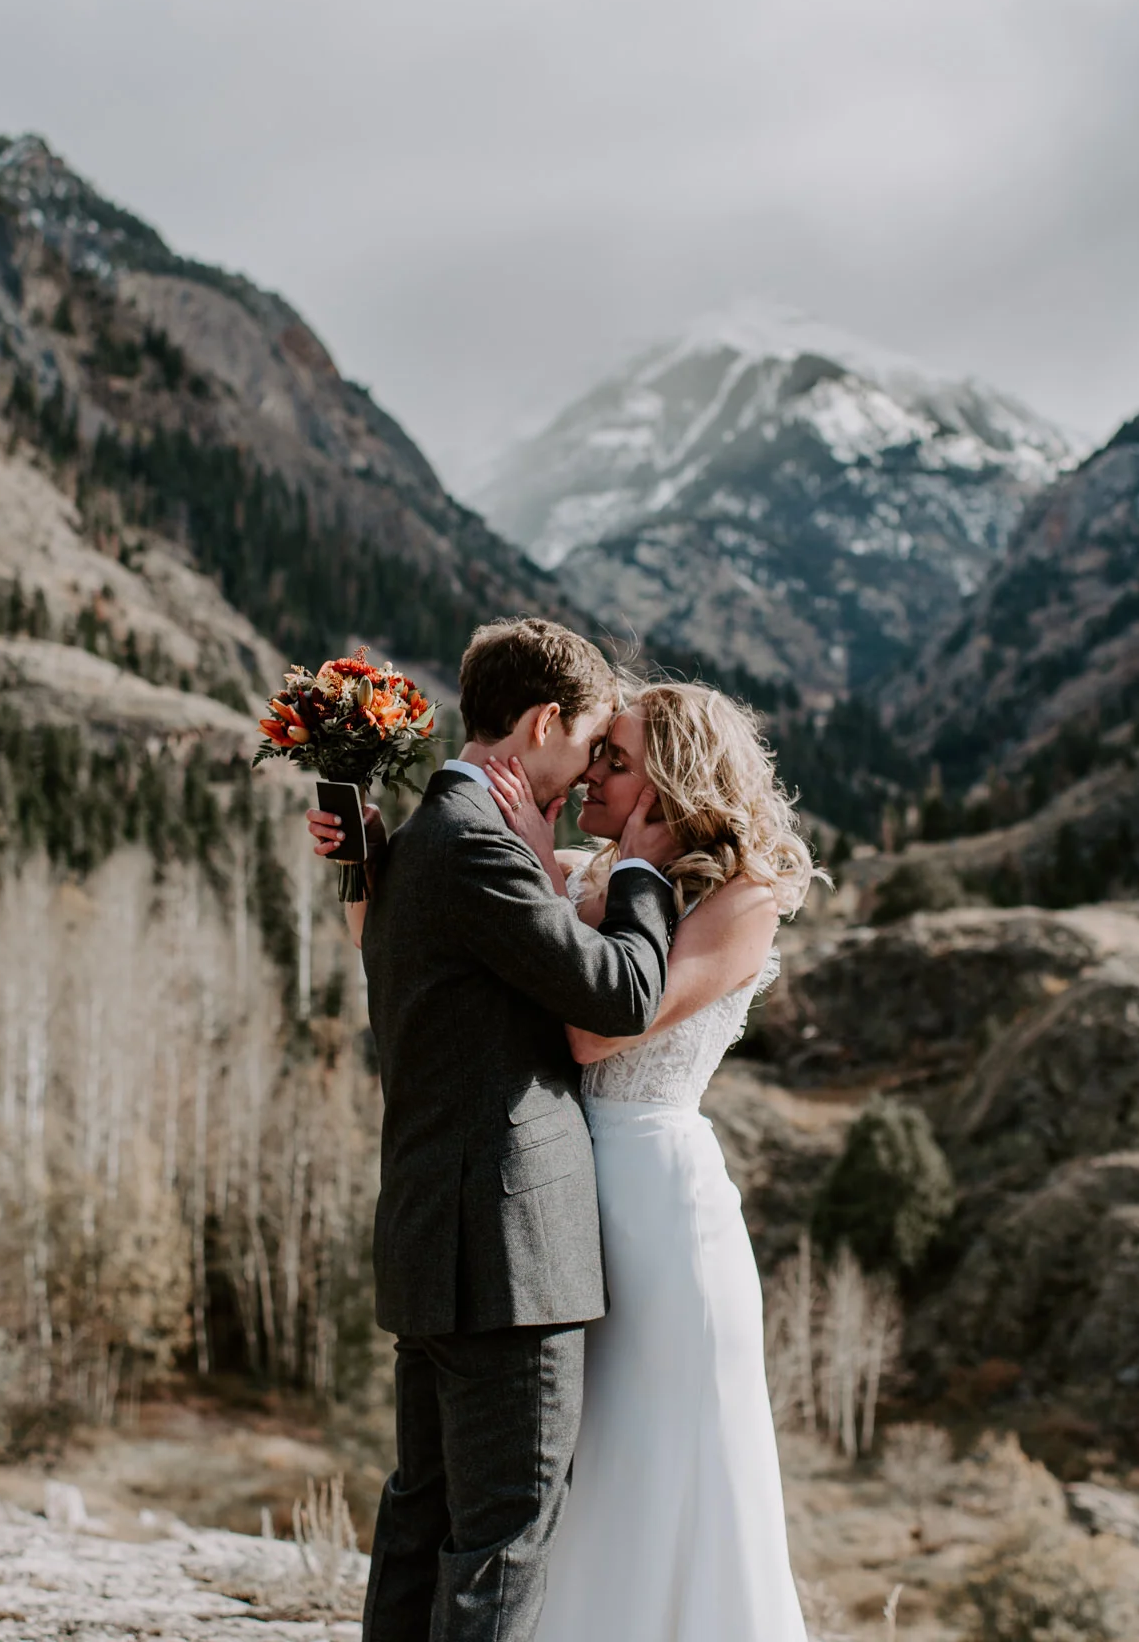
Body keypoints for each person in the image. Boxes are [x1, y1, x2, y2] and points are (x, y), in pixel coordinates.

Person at [313, 672, 821, 1642]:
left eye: (616, 762)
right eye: (596, 752)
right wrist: (376, 870)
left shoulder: (744, 898)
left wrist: (544, 872)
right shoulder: (591, 873)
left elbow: (598, 1033)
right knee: (563, 1485)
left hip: (660, 1212)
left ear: (670, 785)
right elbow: (426, 966)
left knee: (659, 1470)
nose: (592, 774)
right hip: (558, 1205)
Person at [317, 618, 682, 1642]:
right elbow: (618, 995)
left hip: (438, 1239)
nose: (590, 773)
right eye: (590, 744)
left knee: (421, 1519)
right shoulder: (476, 848)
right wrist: (644, 871)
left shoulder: (423, 846)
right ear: (543, 722)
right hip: (507, 1259)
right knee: (504, 1540)